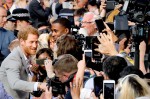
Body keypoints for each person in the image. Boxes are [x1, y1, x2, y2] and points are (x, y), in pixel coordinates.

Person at [0, 26, 47, 99]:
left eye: (36, 42)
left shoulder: (27, 56)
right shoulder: (13, 60)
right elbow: (15, 83)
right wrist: (39, 85)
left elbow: (37, 62)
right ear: (22, 41)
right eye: (31, 42)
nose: (35, 46)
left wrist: (49, 61)